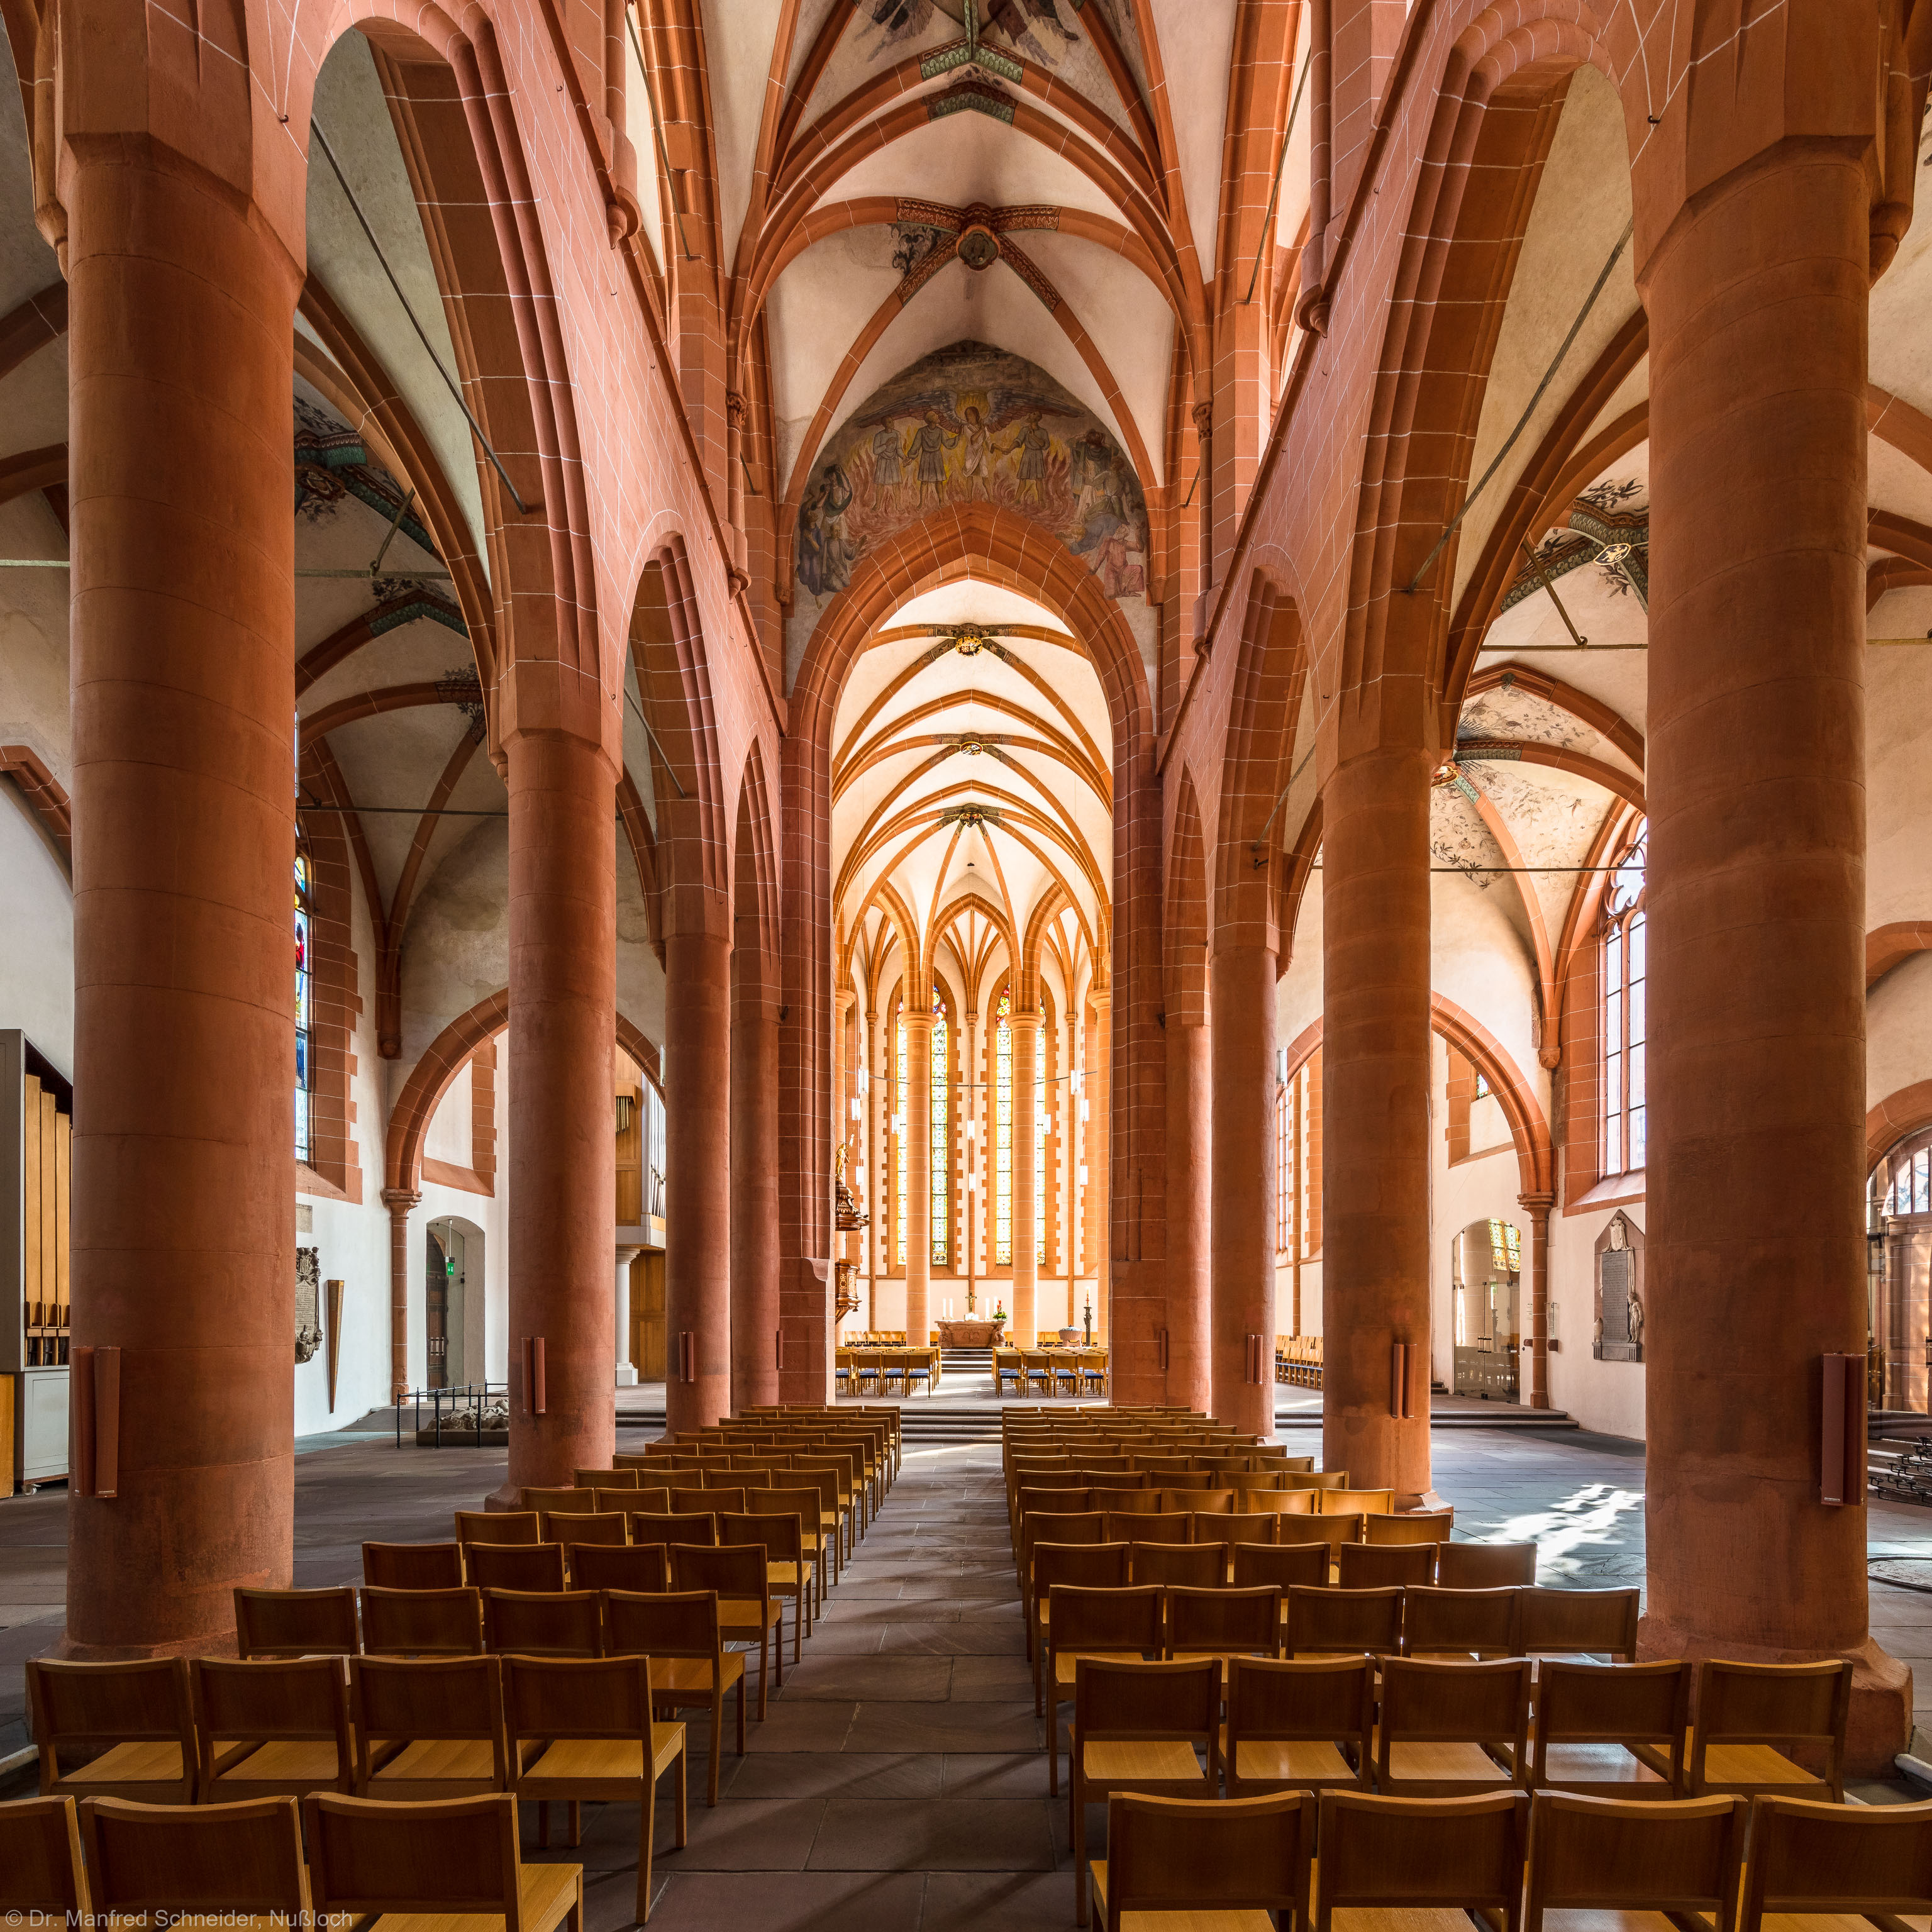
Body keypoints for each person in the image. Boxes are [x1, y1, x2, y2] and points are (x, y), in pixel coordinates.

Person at [904, 408, 957, 509]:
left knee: (939, 481)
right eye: (935, 416)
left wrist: (958, 438)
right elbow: (916, 446)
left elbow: (948, 443)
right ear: (931, 420)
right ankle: (922, 503)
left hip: (937, 457)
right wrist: (911, 457)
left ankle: (941, 502)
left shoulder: (940, 431)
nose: (938, 417)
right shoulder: (922, 431)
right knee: (924, 481)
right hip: (926, 457)